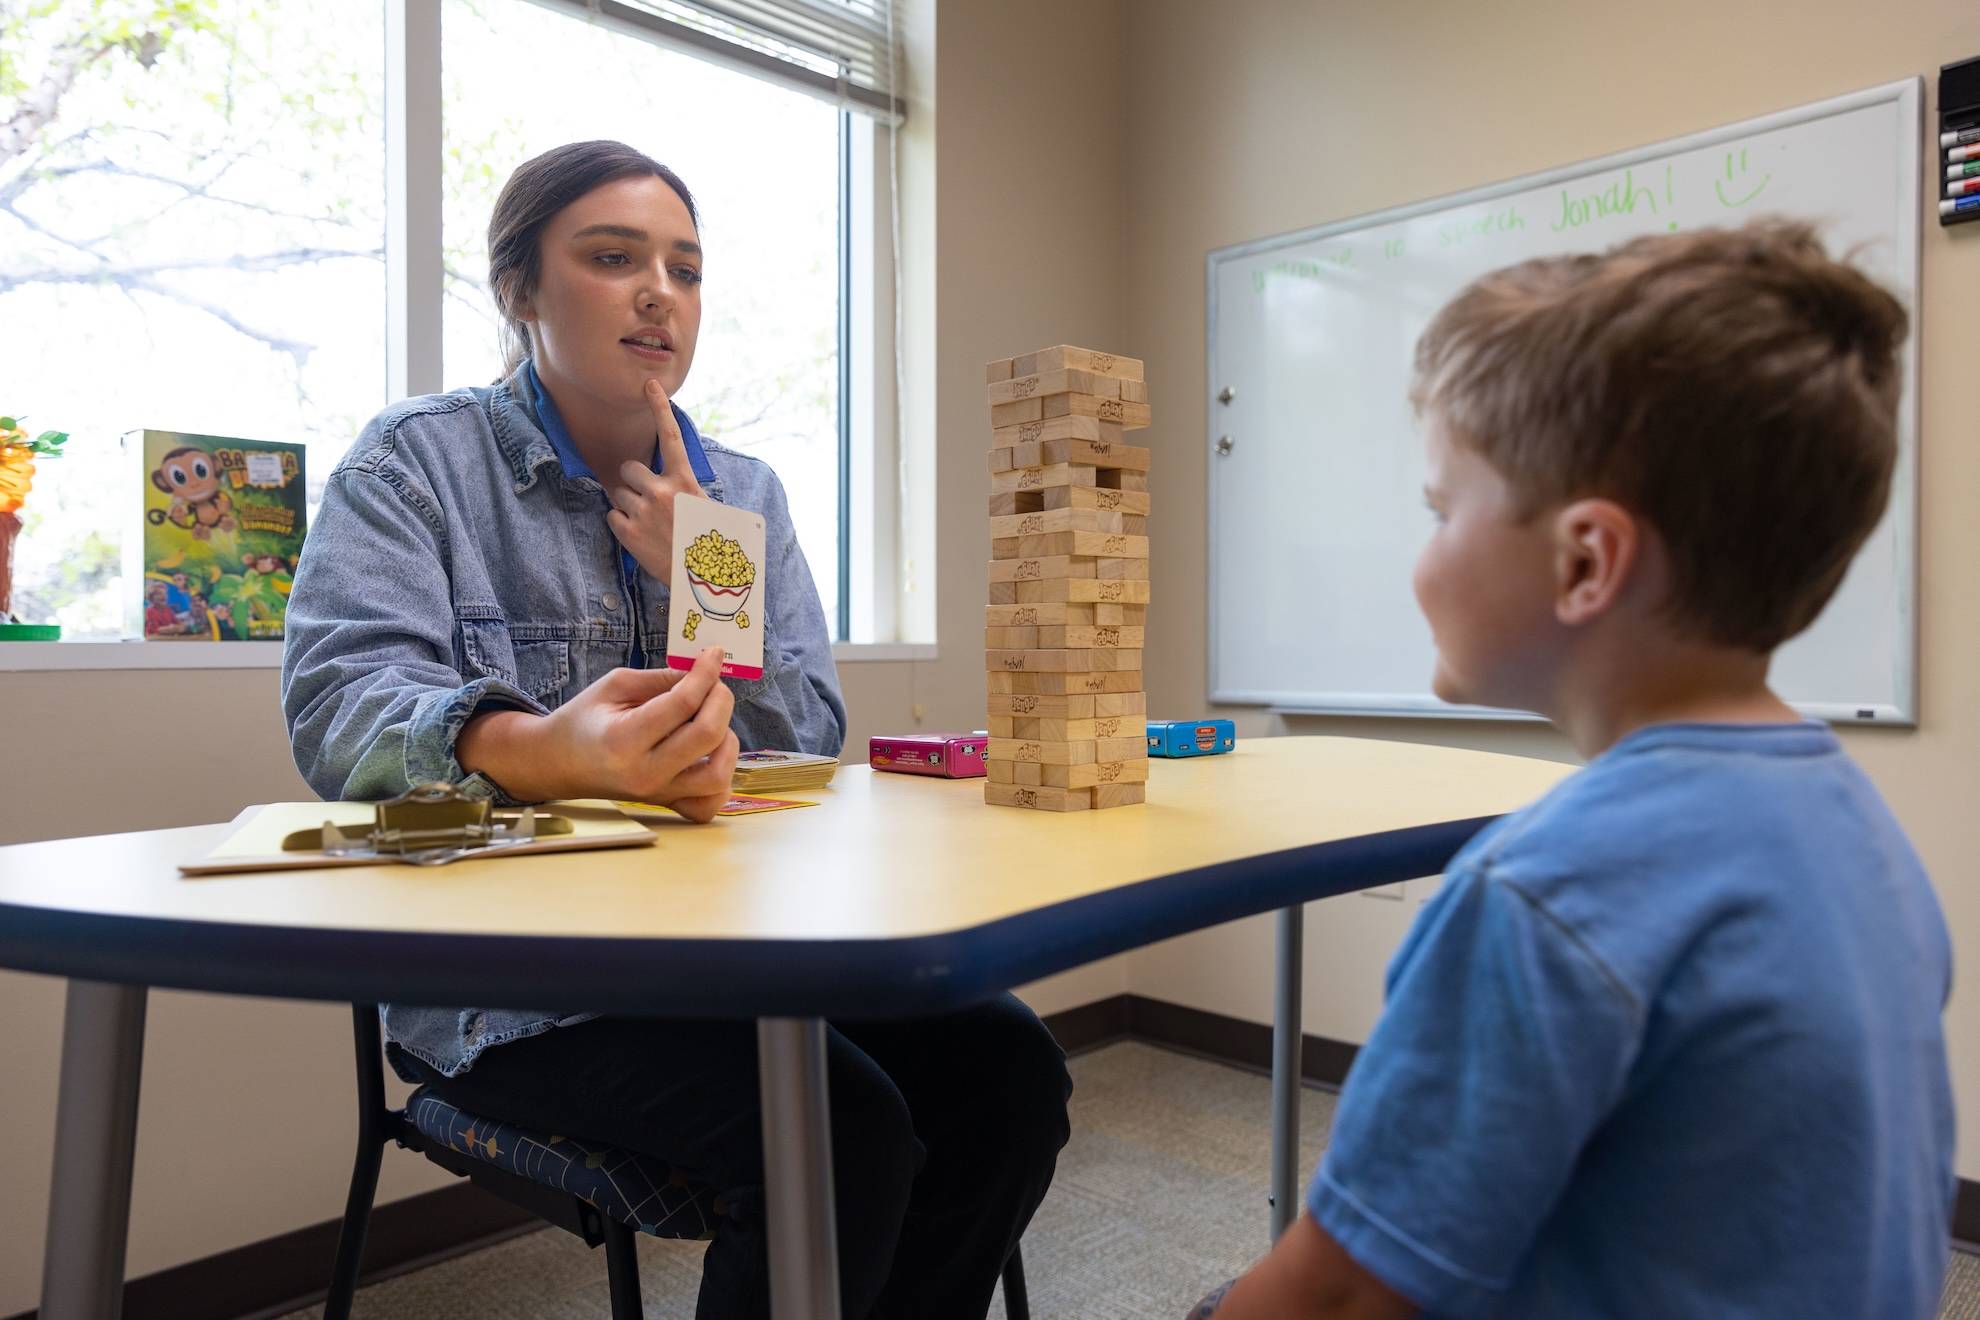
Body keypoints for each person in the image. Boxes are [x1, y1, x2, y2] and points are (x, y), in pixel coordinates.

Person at [282, 140, 1070, 1319]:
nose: (661, 292)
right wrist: (535, 746)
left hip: (751, 956)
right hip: (514, 987)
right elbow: (338, 708)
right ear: (519, 290)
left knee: (1007, 1075)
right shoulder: (417, 465)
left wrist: (715, 585)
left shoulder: (739, 495)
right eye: (613, 258)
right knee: (841, 1136)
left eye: (686, 269)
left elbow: (810, 733)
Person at [1194, 220, 1954, 1318]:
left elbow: (1340, 1298)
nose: (1422, 553)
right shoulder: (1864, 837)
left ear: (1585, 560)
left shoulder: (1543, 892)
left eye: (1439, 509)